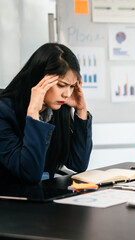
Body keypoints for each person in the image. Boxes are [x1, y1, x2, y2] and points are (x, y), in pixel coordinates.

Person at [0, 43, 93, 184]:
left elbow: (78, 163)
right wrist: (33, 114)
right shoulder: (3, 111)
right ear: (39, 80)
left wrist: (81, 110)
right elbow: (29, 174)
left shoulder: (57, 109)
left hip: (43, 195)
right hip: (11, 199)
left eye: (72, 86)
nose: (67, 94)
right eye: (61, 85)